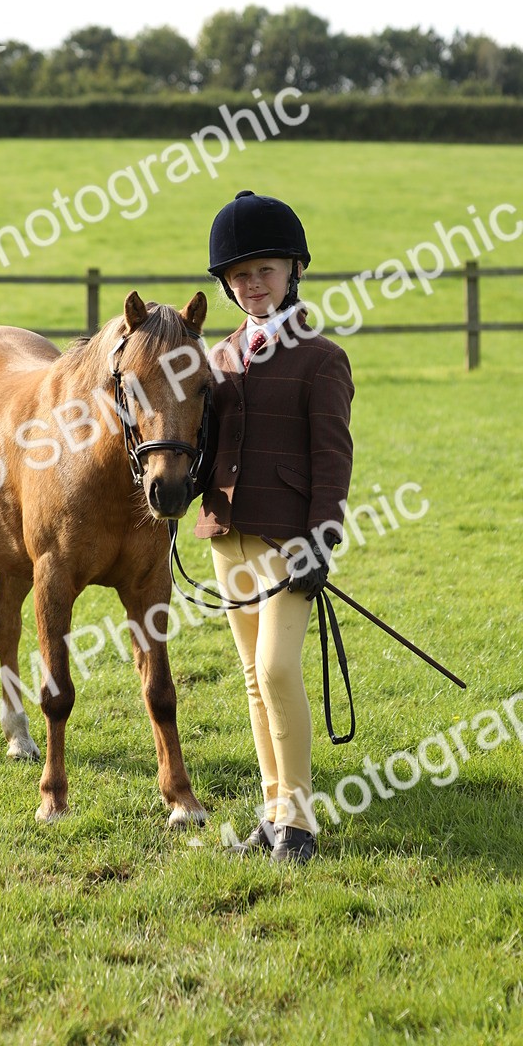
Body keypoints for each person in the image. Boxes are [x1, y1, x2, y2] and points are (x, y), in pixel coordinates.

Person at [195, 191, 354, 864]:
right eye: (238, 275)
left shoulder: (321, 359)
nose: (250, 284)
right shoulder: (218, 357)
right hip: (226, 534)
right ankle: (272, 814)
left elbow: (333, 458)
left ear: (293, 270)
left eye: (263, 270)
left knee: (277, 667)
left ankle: (300, 823)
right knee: (253, 678)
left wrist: (322, 537)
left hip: (289, 541)